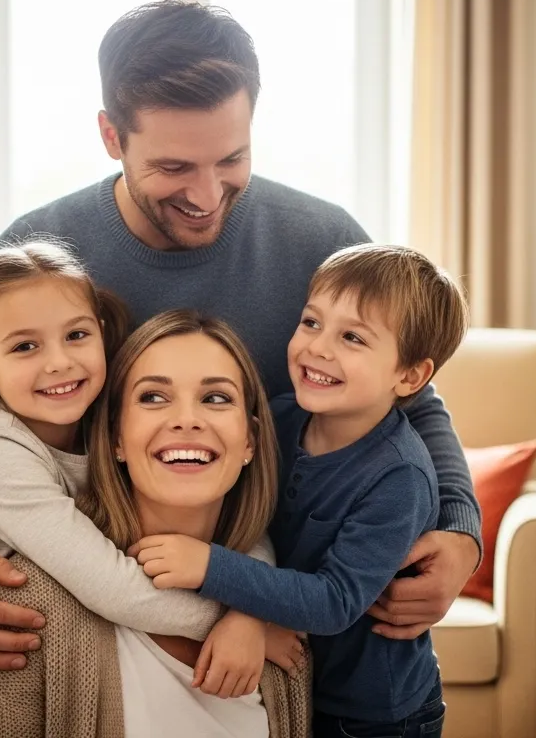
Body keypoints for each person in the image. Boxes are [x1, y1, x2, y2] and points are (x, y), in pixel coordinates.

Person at [0, 0, 482, 690]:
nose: (208, 193)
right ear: (110, 135)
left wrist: (463, 532)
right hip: (79, 647)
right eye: (173, 168)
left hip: (252, 636)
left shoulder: (322, 241)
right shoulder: (41, 256)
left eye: (232, 158)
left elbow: (415, 406)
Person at [0, 243, 284, 734]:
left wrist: (254, 606)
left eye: (76, 335)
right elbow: (117, 590)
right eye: (25, 346)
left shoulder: (99, 422)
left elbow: (245, 525)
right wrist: (246, 619)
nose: (59, 363)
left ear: (101, 336)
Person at [130, 245, 467, 737]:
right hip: (300, 683)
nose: (318, 348)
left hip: (375, 713)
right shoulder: (282, 418)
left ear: (409, 375)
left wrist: (208, 566)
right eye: (311, 323)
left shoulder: (400, 479)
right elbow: (253, 520)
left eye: (352, 337)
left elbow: (334, 602)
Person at [0, 311, 311, 738]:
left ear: (249, 441)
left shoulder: (284, 617)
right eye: (154, 397)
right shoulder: (27, 609)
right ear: (116, 437)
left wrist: (253, 607)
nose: (187, 420)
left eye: (215, 398)